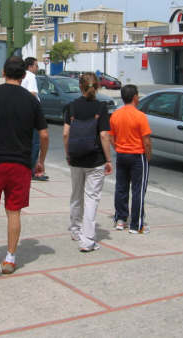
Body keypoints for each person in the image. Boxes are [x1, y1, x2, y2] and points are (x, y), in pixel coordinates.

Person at [0, 56, 49, 275]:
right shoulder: (31, 101)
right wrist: (40, 161)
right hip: (20, 163)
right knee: (13, 211)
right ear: (24, 75)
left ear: (3, 73)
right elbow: (44, 135)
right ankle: (9, 259)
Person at [63, 72, 112, 252]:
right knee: (91, 198)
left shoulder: (72, 107)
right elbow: (104, 135)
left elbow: (66, 134)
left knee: (76, 195)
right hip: (95, 159)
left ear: (79, 86)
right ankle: (88, 239)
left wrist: (68, 154)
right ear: (97, 87)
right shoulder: (101, 107)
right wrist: (108, 159)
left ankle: (75, 230)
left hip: (76, 158)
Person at [109, 84, 152, 233]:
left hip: (121, 154)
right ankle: (136, 224)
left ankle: (120, 219)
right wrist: (148, 155)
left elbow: (111, 137)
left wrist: (118, 148)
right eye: (138, 95)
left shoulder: (115, 115)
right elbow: (146, 140)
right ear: (134, 97)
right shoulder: (140, 116)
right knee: (138, 190)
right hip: (137, 155)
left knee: (121, 187)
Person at [21, 57, 49, 182]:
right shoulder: (31, 76)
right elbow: (32, 94)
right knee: (35, 143)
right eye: (36, 66)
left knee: (26, 142)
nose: (37, 68)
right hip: (32, 114)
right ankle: (33, 171)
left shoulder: (22, 76)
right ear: (30, 66)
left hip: (23, 113)